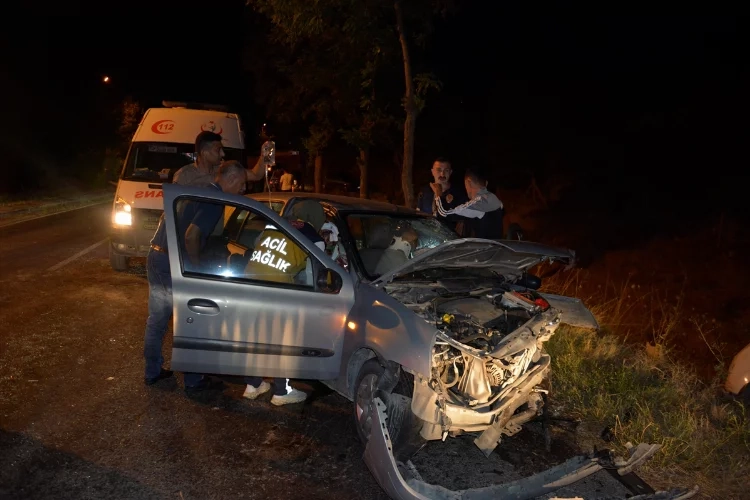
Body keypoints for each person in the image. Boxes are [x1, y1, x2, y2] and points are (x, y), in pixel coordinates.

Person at [143, 161, 248, 392]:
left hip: (157, 256)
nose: (243, 190)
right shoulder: (213, 201)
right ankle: (193, 380)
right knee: (191, 320)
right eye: (241, 183)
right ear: (230, 179)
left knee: (158, 321)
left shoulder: (200, 190)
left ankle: (152, 372)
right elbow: (192, 236)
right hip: (173, 262)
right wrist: (196, 269)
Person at [242, 200, 326, 405]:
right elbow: (318, 271)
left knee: (256, 339)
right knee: (282, 342)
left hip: (247, 284)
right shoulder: (313, 235)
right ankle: (282, 391)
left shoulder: (274, 223)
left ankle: (253, 385)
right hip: (276, 290)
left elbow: (257, 244)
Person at [173, 131, 268, 187]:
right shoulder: (184, 176)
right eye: (218, 150)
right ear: (204, 152)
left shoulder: (224, 170)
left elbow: (256, 175)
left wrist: (265, 154)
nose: (223, 154)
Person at [434, 167, 504, 240]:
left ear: (469, 182)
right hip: (497, 247)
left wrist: (438, 195)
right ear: (486, 183)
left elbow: (445, 213)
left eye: (465, 184)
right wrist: (452, 202)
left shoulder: (478, 203)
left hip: (485, 249)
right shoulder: (494, 198)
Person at [416, 158, 468, 233]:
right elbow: (418, 214)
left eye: (446, 170)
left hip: (449, 238)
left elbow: (462, 220)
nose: (442, 174)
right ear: (432, 172)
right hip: (427, 236)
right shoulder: (424, 192)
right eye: (438, 170)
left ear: (450, 172)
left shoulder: (458, 194)